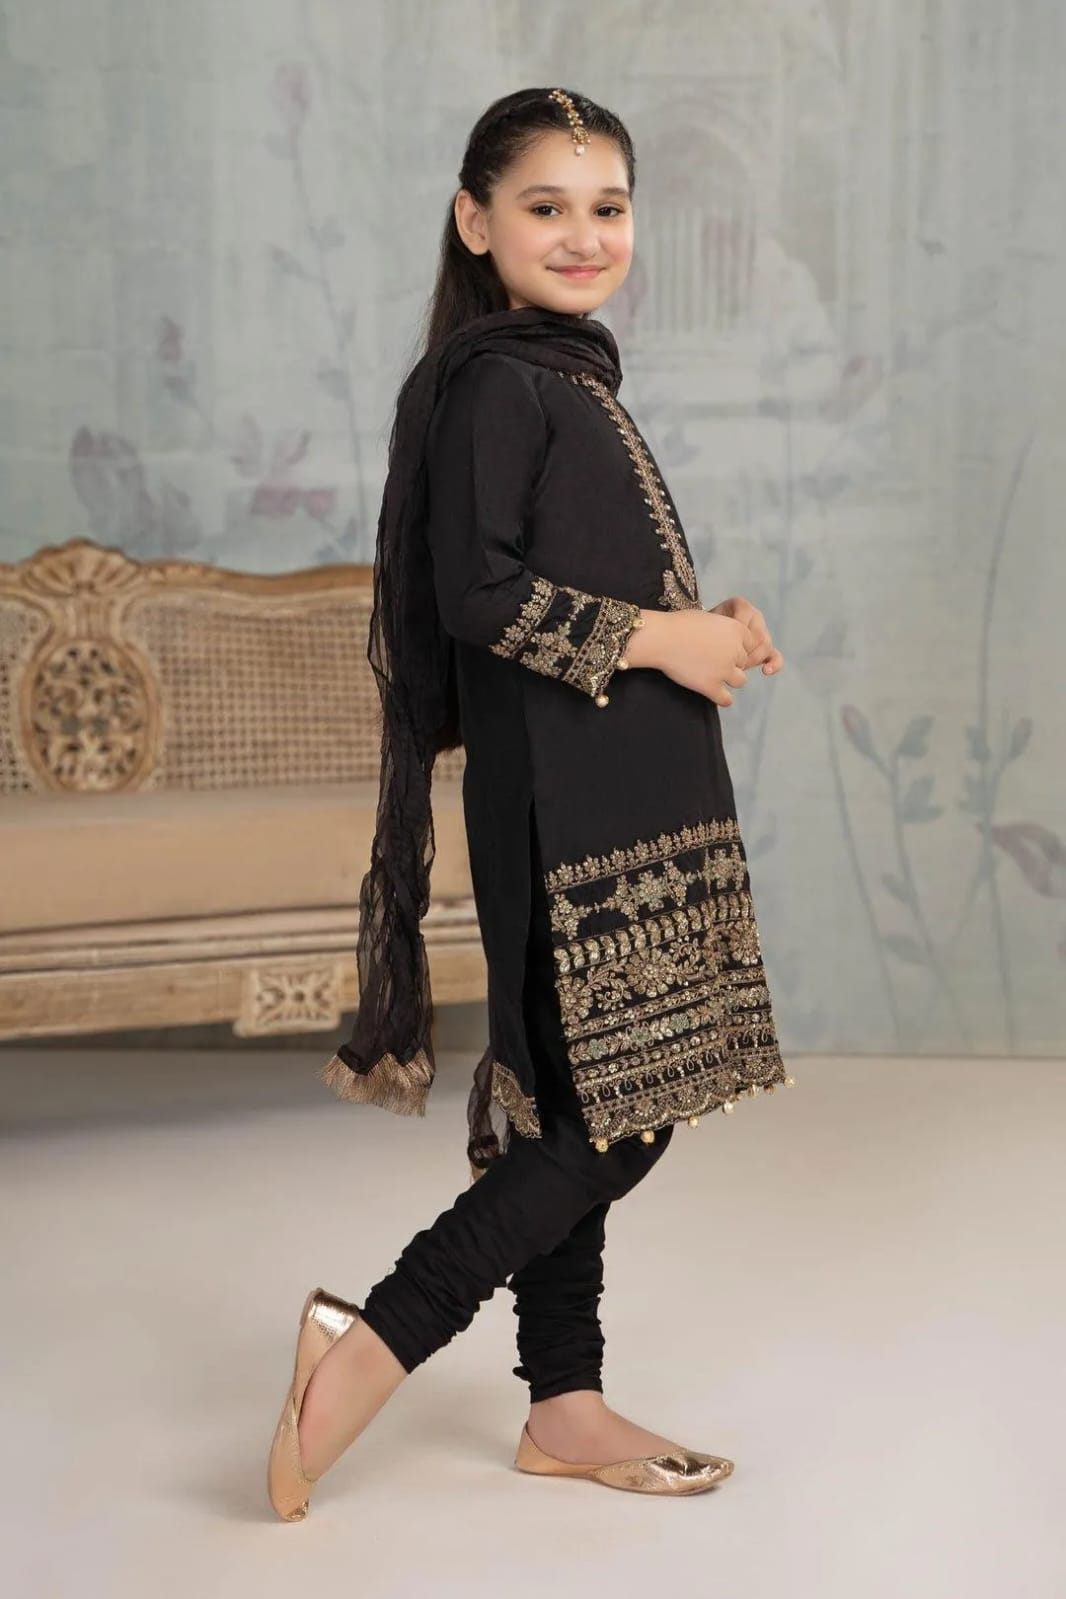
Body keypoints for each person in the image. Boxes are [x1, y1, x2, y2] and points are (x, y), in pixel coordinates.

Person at [267, 86, 793, 1523]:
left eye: (606, 207)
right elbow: (479, 596)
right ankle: (367, 1352)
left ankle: (563, 1405)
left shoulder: (567, 375)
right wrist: (660, 638)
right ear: (474, 219)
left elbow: (580, 583)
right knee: (614, 1120)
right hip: (570, 812)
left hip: (620, 786)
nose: (582, 234)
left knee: (583, 1098)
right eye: (544, 206)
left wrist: (703, 625)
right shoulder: (499, 381)